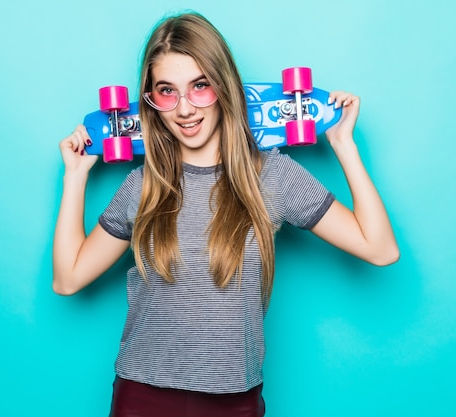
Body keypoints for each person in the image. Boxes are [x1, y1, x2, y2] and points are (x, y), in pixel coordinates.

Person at [52, 11, 399, 417]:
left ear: (224, 86)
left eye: (200, 86)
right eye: (167, 91)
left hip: (234, 401)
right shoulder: (142, 185)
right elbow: (68, 278)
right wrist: (75, 179)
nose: (184, 108)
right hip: (140, 394)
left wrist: (344, 147)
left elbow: (380, 249)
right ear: (151, 101)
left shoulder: (273, 176)